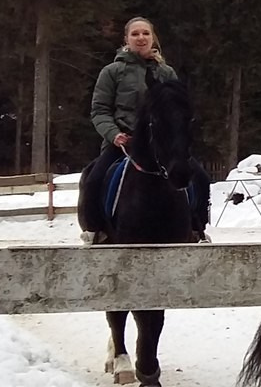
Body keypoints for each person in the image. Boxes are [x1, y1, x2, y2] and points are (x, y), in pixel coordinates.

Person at [83, 16, 210, 239]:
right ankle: (96, 231)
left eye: (145, 33)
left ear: (153, 38)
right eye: (135, 34)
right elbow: (99, 111)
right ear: (126, 39)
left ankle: (196, 227)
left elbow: (175, 112)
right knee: (94, 178)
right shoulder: (111, 72)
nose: (141, 38)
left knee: (199, 176)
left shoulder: (166, 73)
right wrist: (114, 135)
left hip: (161, 145)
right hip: (123, 143)